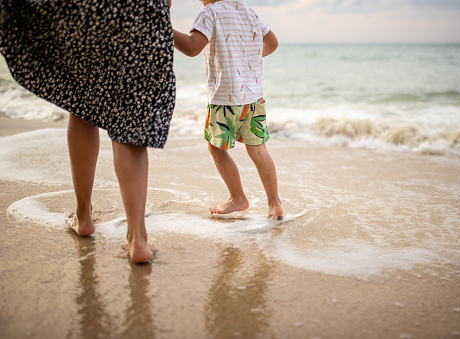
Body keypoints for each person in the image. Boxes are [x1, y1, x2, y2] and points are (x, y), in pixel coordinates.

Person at [0, 0, 176, 263]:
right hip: (141, 12)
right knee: (130, 121)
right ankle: (137, 239)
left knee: (82, 104)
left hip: (86, 12)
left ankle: (83, 216)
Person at [171, 0, 283, 219]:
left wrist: (162, 28)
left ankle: (238, 197)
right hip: (253, 97)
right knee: (259, 150)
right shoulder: (246, 11)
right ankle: (275, 203)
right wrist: (246, 58)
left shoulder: (210, 13)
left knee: (216, 148)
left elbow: (193, 48)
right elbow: (272, 42)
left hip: (225, 97)